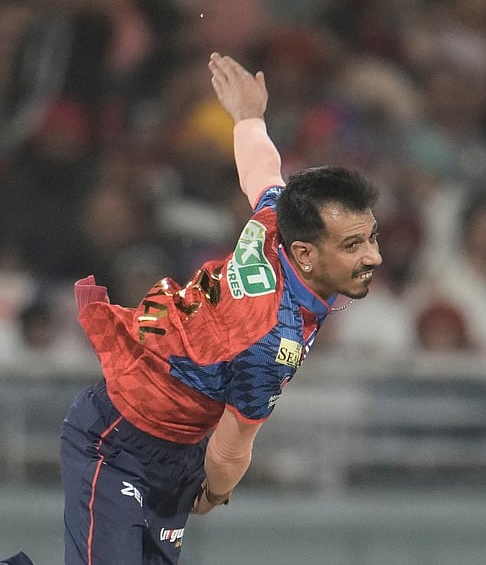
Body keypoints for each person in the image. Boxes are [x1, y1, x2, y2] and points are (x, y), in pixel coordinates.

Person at [59, 53, 382, 564]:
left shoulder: (278, 224)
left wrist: (249, 115)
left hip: (175, 442)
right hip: (119, 436)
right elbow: (231, 451)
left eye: (371, 237)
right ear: (306, 254)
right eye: (353, 245)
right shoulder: (273, 340)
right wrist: (210, 494)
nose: (373, 257)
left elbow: (262, 169)